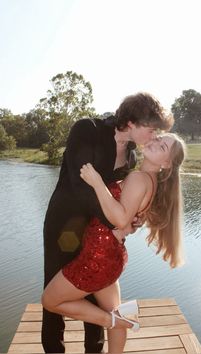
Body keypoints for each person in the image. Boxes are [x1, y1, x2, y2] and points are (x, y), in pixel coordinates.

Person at [42, 92, 174, 353]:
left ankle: (95, 349)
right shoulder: (87, 129)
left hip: (98, 236)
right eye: (152, 129)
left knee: (93, 293)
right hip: (63, 228)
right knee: (53, 293)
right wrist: (118, 222)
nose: (154, 136)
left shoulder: (132, 159)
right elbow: (81, 186)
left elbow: (121, 200)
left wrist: (131, 220)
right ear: (132, 121)